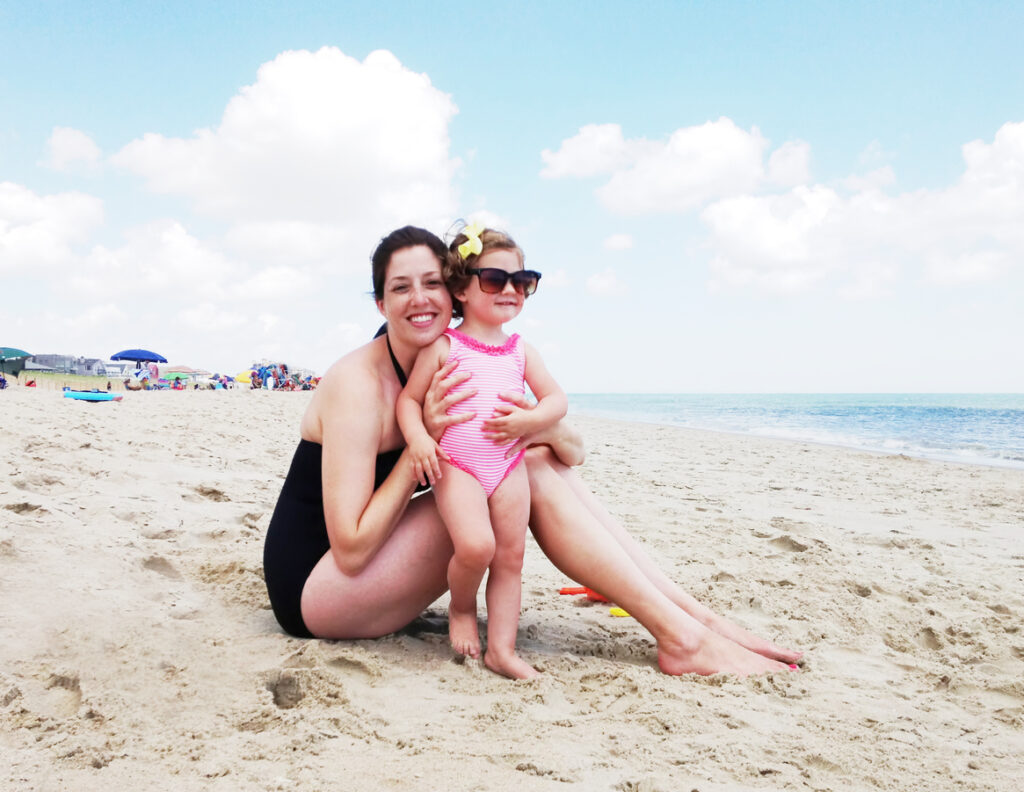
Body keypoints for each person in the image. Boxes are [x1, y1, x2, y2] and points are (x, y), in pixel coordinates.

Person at [262, 225, 801, 677]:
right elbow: (351, 547)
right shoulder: (360, 384)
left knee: (536, 462)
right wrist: (418, 443)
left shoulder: (464, 360)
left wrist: (529, 425)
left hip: (371, 564)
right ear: (380, 302)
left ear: (454, 294)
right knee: (527, 473)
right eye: (400, 289)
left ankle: (696, 620)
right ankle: (681, 637)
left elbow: (572, 452)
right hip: (320, 589)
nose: (420, 299)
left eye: (431, 283)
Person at [396, 224, 567, 678]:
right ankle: (461, 608)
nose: (510, 289)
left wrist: (530, 420)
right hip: (459, 464)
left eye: (522, 280)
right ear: (462, 288)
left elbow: (557, 401)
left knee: (511, 557)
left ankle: (503, 650)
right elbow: (408, 402)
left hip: (507, 463)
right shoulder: (443, 346)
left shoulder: (520, 350)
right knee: (475, 547)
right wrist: (418, 439)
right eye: (495, 279)